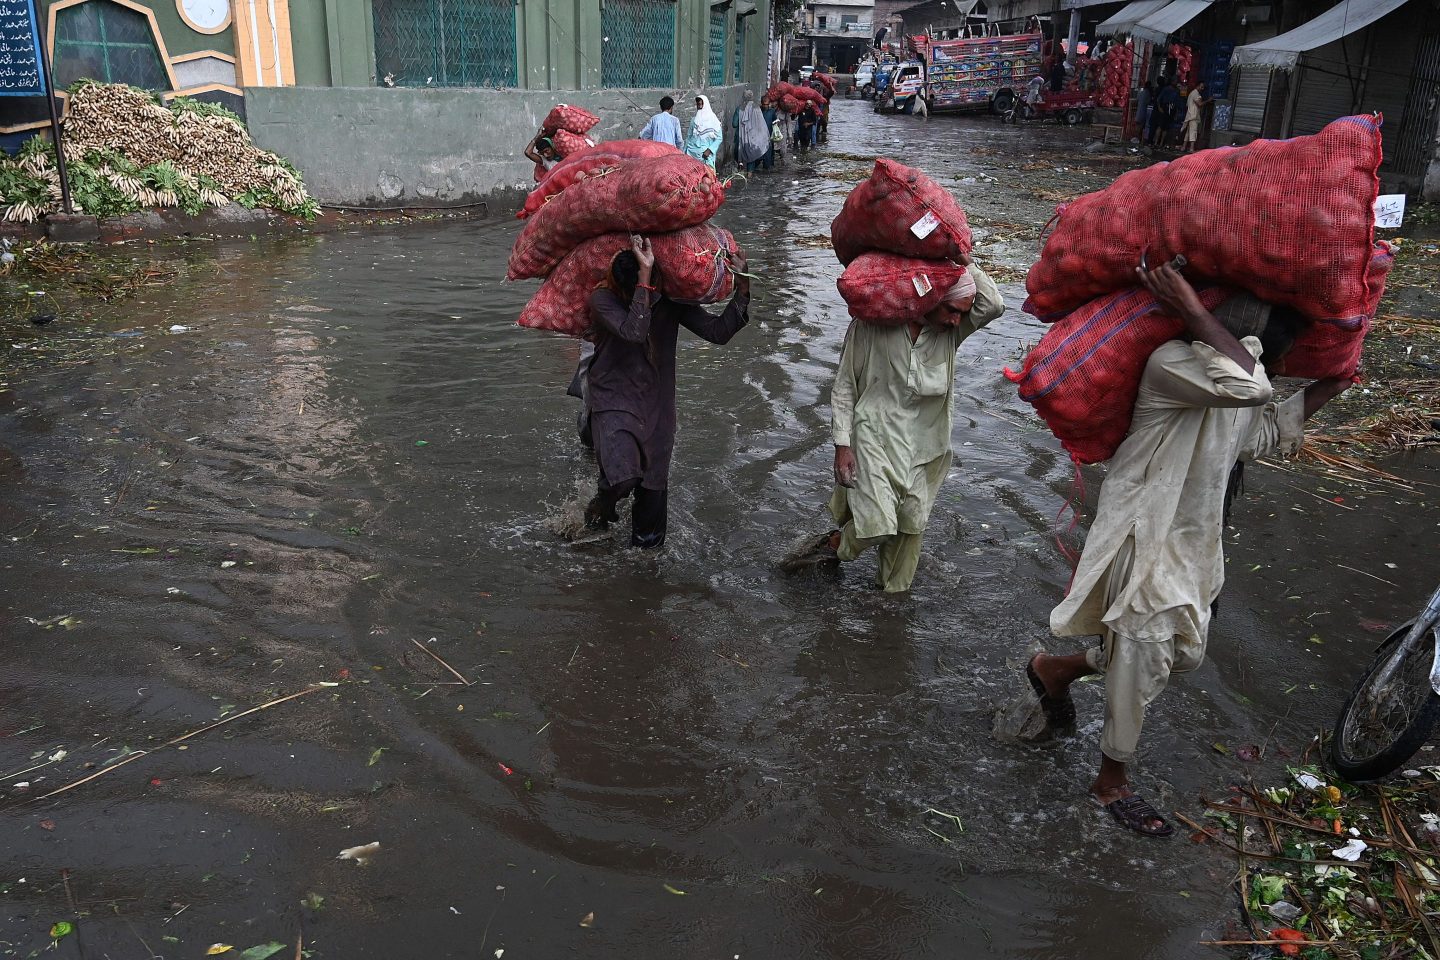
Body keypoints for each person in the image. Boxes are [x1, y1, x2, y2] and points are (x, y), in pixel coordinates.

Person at [1024, 263, 1354, 837]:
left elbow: (1260, 432)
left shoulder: (1228, 378)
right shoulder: (1173, 363)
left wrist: (1333, 381)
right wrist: (1192, 310)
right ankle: (1111, 785)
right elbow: (1252, 385)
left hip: (1193, 540)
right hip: (1146, 533)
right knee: (1146, 648)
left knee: (1172, 653)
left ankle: (1054, 670)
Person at [781, 257, 1006, 592]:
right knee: (878, 525)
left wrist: (961, 259)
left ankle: (891, 606)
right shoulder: (873, 325)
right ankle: (830, 545)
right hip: (874, 434)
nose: (958, 319)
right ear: (930, 300)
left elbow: (994, 304)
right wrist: (842, 443)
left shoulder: (949, 333)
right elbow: (844, 385)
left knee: (910, 526)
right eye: (952, 310)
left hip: (927, 441)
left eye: (963, 312)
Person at [582, 236, 751, 549]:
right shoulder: (602, 300)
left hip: (657, 403)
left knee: (652, 493)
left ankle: (646, 576)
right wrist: (644, 278)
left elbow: (718, 333)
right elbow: (634, 331)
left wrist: (742, 288)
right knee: (623, 478)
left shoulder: (671, 302)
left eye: (651, 284)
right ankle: (601, 504)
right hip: (614, 398)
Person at [734, 91, 770, 173]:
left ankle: (740, 172)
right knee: (751, 156)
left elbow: (734, 124)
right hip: (753, 138)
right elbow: (761, 124)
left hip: (740, 139)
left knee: (740, 155)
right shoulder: (757, 108)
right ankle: (750, 174)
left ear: (743, 98)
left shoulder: (739, 109)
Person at [685, 95, 723, 169]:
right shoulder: (694, 120)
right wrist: (684, 151)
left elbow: (719, 138)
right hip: (692, 153)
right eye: (698, 104)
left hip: (706, 155)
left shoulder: (713, 120)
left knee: (708, 176)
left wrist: (709, 150)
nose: (699, 107)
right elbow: (689, 136)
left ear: (706, 105)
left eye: (701, 104)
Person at [1182, 81, 1211, 154]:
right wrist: (1208, 100)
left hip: (1190, 115)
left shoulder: (1192, 93)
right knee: (1193, 132)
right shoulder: (1195, 94)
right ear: (1197, 86)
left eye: (1203, 87)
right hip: (1193, 116)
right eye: (1201, 86)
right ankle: (1191, 148)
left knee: (1188, 132)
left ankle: (1183, 147)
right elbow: (1200, 104)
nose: (1202, 88)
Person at [1152, 77, 1181, 149]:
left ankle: (1161, 143)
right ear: (1172, 81)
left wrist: (1176, 112)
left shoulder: (1177, 90)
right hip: (1165, 107)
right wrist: (1160, 108)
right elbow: (1159, 99)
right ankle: (1155, 143)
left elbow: (1177, 103)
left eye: (1177, 81)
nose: (1176, 83)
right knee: (1160, 126)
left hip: (1172, 109)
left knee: (1166, 128)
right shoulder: (1166, 89)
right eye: (1175, 81)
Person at [762, 96, 781, 169]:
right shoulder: (758, 111)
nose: (765, 106)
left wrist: (776, 126)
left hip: (769, 135)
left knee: (769, 153)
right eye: (764, 104)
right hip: (760, 136)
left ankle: (768, 167)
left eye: (767, 104)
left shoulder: (771, 111)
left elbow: (775, 120)